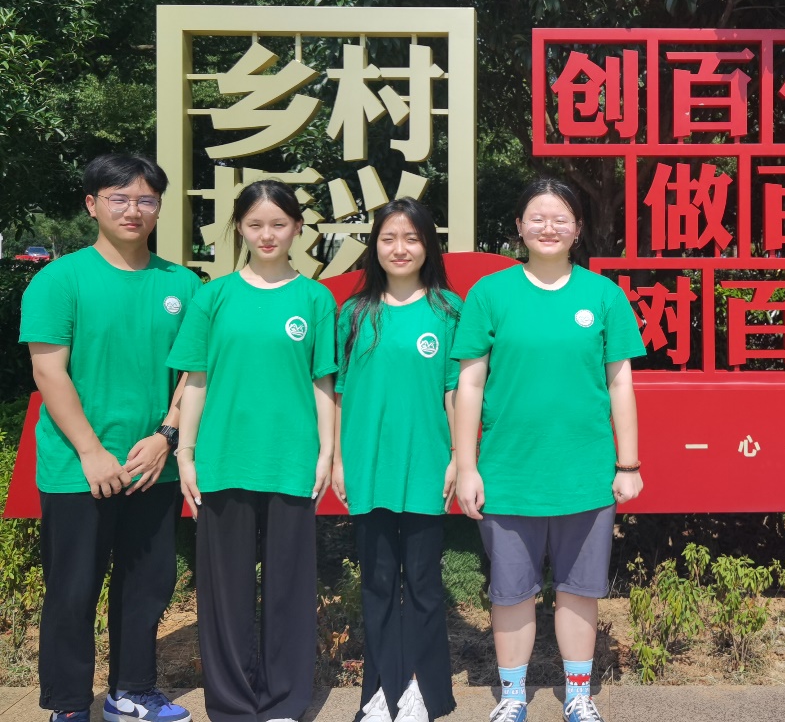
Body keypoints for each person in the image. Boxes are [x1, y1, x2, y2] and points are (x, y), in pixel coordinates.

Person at [452, 178, 645, 722]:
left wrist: (628, 464)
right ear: (518, 226)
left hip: (585, 473)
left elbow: (620, 383)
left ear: (578, 229)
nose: (548, 227)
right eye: (537, 217)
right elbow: (469, 383)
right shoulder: (490, 294)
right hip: (509, 473)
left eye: (561, 218)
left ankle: (578, 693)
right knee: (510, 591)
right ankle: (513, 696)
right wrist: (466, 466)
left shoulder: (602, 295)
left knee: (580, 590)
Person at [20, 152, 201, 722]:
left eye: (146, 199)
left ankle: (133, 691)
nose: (133, 210)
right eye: (118, 198)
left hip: (153, 464)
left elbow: (195, 371)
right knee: (73, 590)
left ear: (159, 208)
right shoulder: (60, 280)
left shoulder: (182, 284)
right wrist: (91, 451)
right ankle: (69, 705)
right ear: (92, 205)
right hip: (78, 469)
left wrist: (166, 436)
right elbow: (49, 370)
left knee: (148, 585)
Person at [166, 179, 337, 722]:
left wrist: (327, 453)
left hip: (291, 460)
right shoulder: (213, 296)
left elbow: (323, 383)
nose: (268, 235)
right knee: (226, 593)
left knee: (289, 588)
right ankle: (234, 705)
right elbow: (196, 380)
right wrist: (186, 453)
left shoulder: (315, 298)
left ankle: (285, 700)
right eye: (256, 224)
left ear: (298, 229)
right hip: (223, 459)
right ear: (239, 228)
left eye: (279, 224)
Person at [332, 199, 461, 722]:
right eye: (389, 238)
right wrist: (338, 460)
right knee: (378, 585)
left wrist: (459, 457)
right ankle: (381, 693)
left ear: (428, 245)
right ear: (374, 246)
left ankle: (425, 692)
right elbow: (339, 393)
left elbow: (455, 391)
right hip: (368, 468)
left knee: (424, 586)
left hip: (427, 465)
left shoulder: (448, 311)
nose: (400, 248)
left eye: (411, 238)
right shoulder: (354, 314)